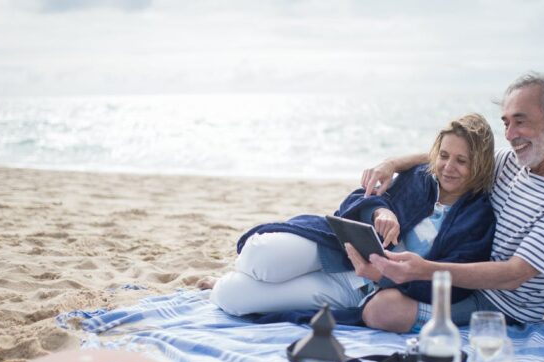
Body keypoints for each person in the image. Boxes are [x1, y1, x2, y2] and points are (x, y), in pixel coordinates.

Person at [346, 71, 544, 332]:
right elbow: (449, 158)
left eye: (520, 121)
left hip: (497, 303)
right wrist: (390, 164)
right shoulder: (515, 161)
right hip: (459, 276)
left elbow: (514, 275)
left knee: (383, 310)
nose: (509, 135)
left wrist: (425, 270)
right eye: (506, 123)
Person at [203, 113, 497, 320]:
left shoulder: (477, 218)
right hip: (337, 246)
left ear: (480, 166)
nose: (448, 167)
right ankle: (243, 271)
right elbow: (359, 199)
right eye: (444, 155)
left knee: (233, 297)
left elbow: (451, 285)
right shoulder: (420, 177)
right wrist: (382, 210)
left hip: (356, 287)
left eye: (462, 161)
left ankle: (223, 283)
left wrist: (383, 279)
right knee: (260, 255)